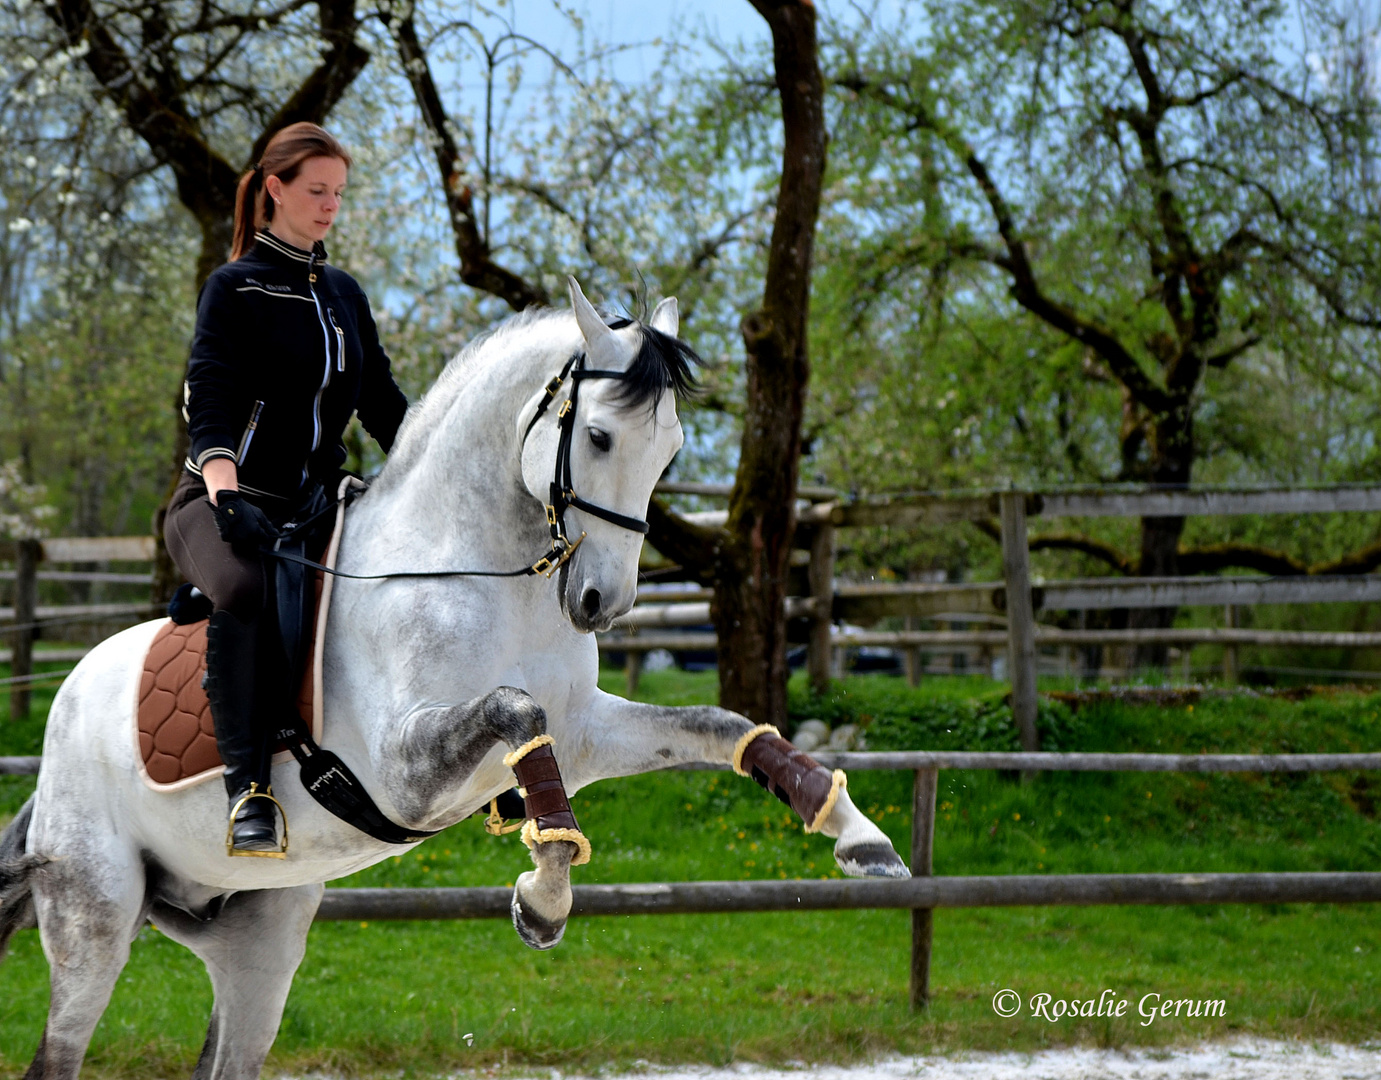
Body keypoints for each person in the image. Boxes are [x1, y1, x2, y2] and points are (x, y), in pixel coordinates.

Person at [164, 122, 409, 855]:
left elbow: (383, 402)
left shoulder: (342, 294)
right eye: (316, 191)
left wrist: (432, 464)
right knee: (240, 590)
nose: (331, 205)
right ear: (275, 189)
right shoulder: (233, 287)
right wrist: (224, 492)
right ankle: (249, 790)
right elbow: (209, 399)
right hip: (221, 501)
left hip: (313, 504)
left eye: (338, 192)